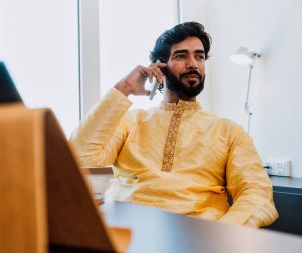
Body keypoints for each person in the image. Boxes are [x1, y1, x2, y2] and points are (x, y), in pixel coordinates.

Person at [70, 22, 278, 228]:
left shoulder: (229, 131)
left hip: (197, 235)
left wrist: (221, 235)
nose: (193, 64)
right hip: (127, 230)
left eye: (200, 56)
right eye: (181, 56)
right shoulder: (132, 121)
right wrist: (124, 88)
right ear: (160, 67)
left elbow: (257, 194)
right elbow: (80, 155)